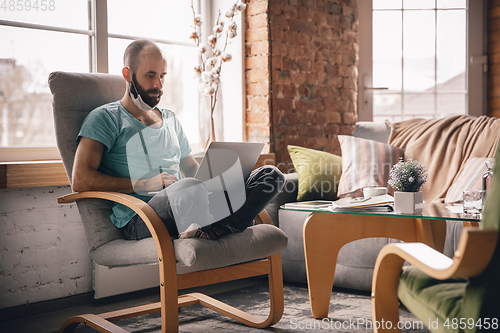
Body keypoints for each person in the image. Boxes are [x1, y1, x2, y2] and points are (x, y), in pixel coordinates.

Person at [72, 39, 284, 241]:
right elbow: (80, 180)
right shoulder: (105, 118)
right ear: (128, 74)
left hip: (189, 202)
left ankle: (218, 229)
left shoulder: (170, 119)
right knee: (187, 187)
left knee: (270, 175)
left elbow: (192, 170)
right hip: (143, 218)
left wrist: (226, 177)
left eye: (162, 76)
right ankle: (221, 225)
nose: (158, 85)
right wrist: (145, 183)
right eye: (150, 76)